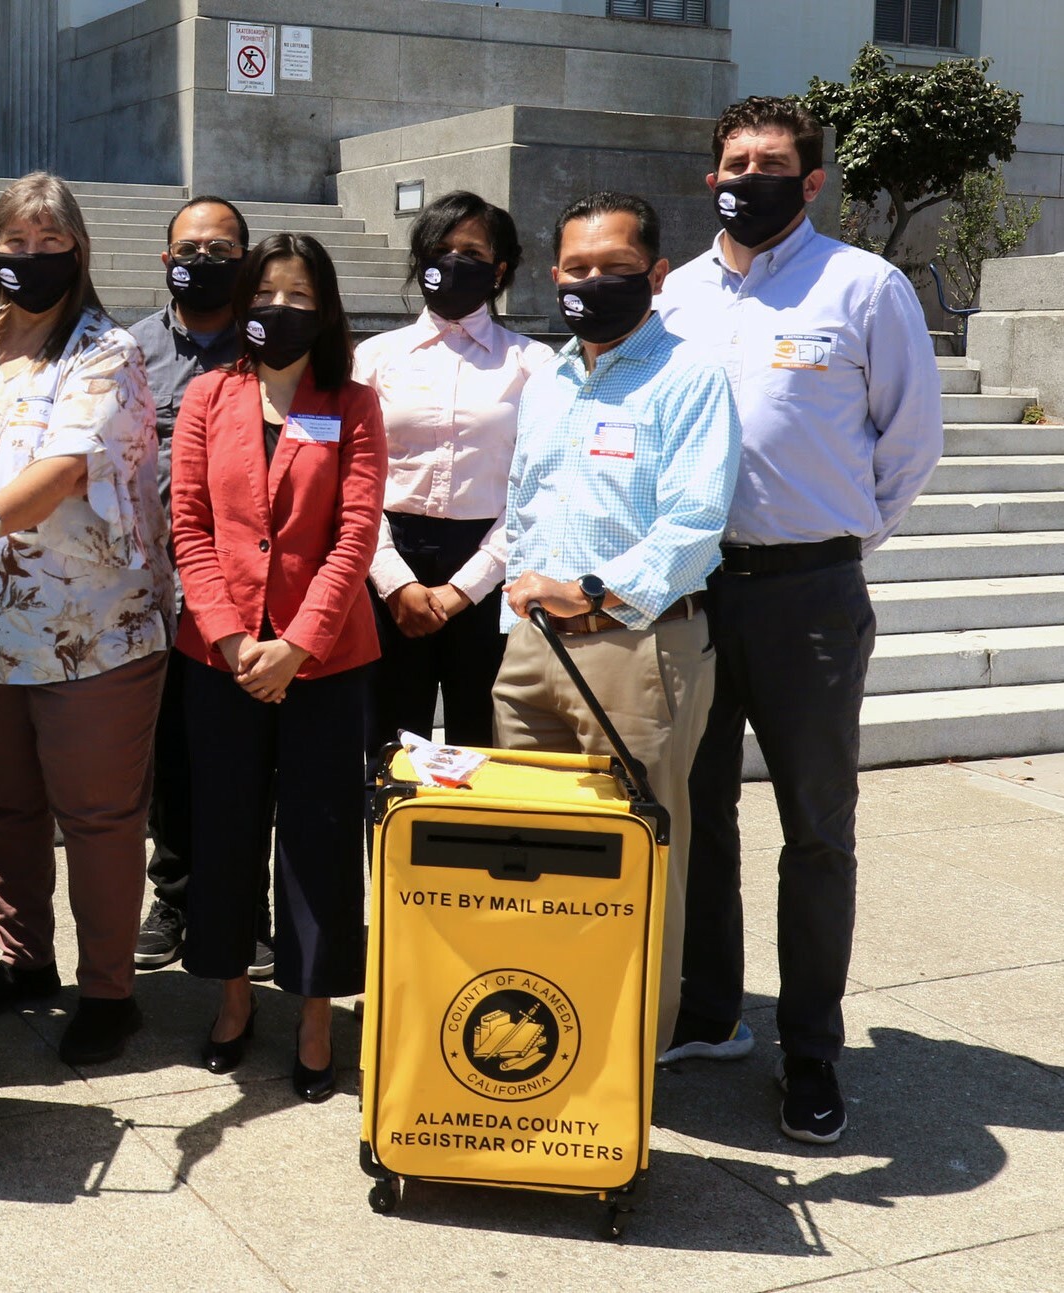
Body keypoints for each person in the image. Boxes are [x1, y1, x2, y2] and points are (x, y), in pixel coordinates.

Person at [658, 97, 944, 1143]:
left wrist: (834, 543)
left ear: (810, 181)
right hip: (692, 593)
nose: (748, 176)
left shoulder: (863, 288)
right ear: (709, 174)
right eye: (732, 159)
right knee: (698, 815)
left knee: (815, 832)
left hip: (809, 598)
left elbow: (909, 442)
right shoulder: (676, 295)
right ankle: (708, 1009)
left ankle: (811, 1049)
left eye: (770, 162)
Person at [0, 172, 173, 1067]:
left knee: (99, 815)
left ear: (81, 252)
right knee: (12, 810)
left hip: (89, 630)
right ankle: (28, 960)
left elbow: (71, 466)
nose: (31, 259)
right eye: (15, 244)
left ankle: (111, 989)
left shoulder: (106, 351)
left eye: (50, 243)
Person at [494, 191, 740, 1069]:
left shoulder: (689, 376)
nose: (591, 284)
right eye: (577, 269)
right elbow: (525, 504)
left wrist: (591, 593)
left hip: (637, 647)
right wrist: (524, 603)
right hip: (532, 650)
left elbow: (694, 523)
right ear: (552, 272)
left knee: (638, 854)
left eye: (616, 270)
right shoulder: (550, 376)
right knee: (527, 849)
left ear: (657, 276)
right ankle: (542, 1034)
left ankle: (629, 1058)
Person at [171, 233, 387, 1103]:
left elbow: (356, 532)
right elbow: (188, 525)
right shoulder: (207, 396)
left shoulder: (355, 402)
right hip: (217, 659)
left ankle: (312, 1011)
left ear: (326, 309)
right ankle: (229, 997)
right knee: (221, 830)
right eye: (267, 294)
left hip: (326, 662)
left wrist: (298, 643)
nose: (280, 310)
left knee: (319, 840)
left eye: (300, 297)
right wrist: (229, 639)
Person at [127, 195, 275, 979]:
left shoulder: (267, 350)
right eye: (191, 248)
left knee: (246, 762)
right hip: (152, 593)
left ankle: (248, 907)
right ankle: (177, 896)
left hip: (245, 595)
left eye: (223, 250)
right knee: (171, 761)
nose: (204, 260)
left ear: (246, 262)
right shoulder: (130, 351)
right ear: (166, 259)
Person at [354, 191, 553, 755]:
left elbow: (537, 492)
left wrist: (463, 591)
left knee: (482, 741)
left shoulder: (534, 364)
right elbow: (354, 482)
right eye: (440, 249)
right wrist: (396, 583)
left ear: (501, 269)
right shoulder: (373, 358)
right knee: (388, 743)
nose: (454, 261)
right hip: (387, 562)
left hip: (490, 568)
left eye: (472, 250)